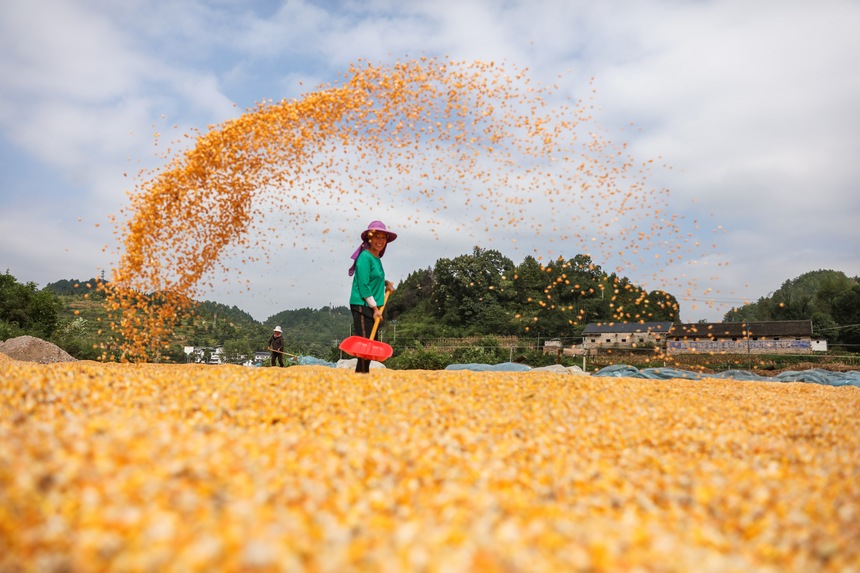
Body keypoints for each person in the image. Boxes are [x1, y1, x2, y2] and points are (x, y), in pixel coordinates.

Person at [348, 220, 396, 373]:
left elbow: (374, 278)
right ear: (369, 239)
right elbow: (364, 285)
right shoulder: (364, 257)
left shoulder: (376, 259)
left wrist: (386, 283)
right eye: (376, 237)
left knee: (369, 344)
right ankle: (361, 376)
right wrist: (375, 308)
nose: (380, 241)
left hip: (371, 306)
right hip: (363, 305)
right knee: (365, 344)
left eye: (383, 238)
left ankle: (362, 374)